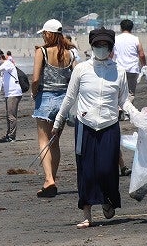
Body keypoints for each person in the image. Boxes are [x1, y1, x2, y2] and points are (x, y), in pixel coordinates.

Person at [52, 28, 136, 228]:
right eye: (97, 45)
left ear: (110, 48)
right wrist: (58, 121)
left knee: (107, 169)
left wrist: (137, 116)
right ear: (92, 47)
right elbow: (70, 97)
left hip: (109, 124)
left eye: (105, 46)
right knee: (86, 170)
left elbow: (124, 101)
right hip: (85, 125)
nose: (101, 49)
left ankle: (108, 200)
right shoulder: (81, 69)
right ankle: (87, 214)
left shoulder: (119, 71)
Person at [30, 19, 74, 198]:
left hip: (46, 97)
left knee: (43, 140)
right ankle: (51, 179)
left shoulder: (41, 51)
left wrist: (34, 94)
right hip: (64, 100)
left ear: (49, 33)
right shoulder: (70, 54)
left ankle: (49, 179)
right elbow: (76, 76)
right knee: (54, 142)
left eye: (44, 33)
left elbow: (35, 79)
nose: (43, 36)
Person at [113, 19, 147, 176]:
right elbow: (141, 53)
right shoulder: (135, 39)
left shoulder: (116, 39)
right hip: (133, 68)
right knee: (131, 93)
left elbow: (112, 54)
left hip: (119, 69)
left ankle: (120, 107)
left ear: (121, 28)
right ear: (132, 28)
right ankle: (124, 110)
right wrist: (143, 65)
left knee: (120, 92)